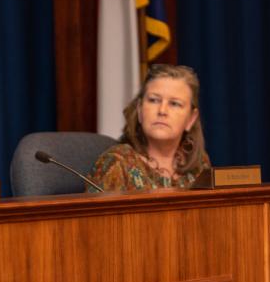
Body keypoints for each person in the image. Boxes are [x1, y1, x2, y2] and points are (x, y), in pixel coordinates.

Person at [89, 64, 210, 192]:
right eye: (154, 100)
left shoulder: (199, 163)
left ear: (191, 119)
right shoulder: (116, 163)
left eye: (174, 103)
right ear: (140, 110)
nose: (162, 110)